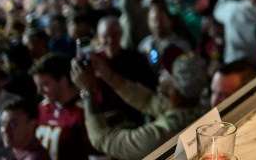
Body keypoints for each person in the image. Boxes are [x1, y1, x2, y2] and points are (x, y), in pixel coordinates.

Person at [72, 52, 207, 160]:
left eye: (166, 72)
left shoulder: (158, 136)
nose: (161, 72)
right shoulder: (197, 108)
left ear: (174, 91)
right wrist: (107, 73)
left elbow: (103, 139)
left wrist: (87, 92)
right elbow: (147, 101)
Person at [28, 54, 90, 160]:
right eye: (37, 85)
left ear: (63, 80)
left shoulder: (84, 112)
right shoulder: (42, 108)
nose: (39, 91)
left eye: (45, 84)